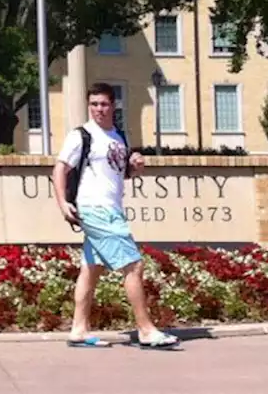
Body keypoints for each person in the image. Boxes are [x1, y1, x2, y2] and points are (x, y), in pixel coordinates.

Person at [52, 83, 180, 350]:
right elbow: (61, 168)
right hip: (93, 209)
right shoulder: (81, 135)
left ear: (113, 105)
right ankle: (146, 330)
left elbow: (120, 174)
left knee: (91, 269)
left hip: (112, 209)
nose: (99, 109)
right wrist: (63, 203)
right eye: (94, 104)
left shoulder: (118, 136)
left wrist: (135, 168)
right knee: (133, 266)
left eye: (104, 104)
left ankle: (79, 329)